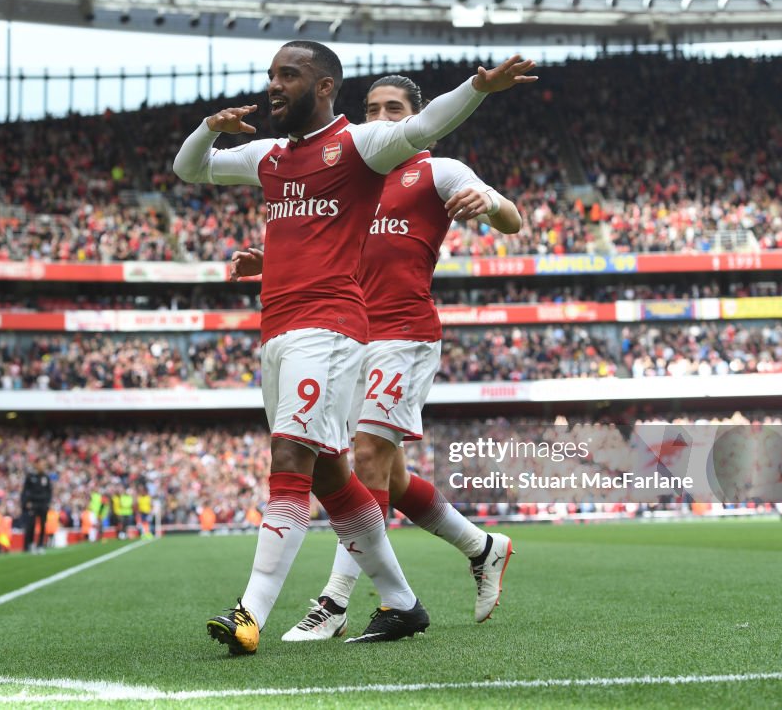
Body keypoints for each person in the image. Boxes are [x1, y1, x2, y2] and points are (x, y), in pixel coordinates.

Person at [174, 39, 536, 654]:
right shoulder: (292, 161)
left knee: (322, 457)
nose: (383, 119)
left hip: (374, 331)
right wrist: (214, 136)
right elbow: (195, 173)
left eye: (394, 109)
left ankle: (279, 608)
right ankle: (422, 587)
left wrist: (479, 105)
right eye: (375, 107)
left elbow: (494, 199)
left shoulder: (401, 160)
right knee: (343, 474)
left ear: (322, 87)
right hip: (290, 326)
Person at [22, 458, 53, 553]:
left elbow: (49, 491)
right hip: (33, 504)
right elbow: (25, 491)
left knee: (43, 525)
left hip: (43, 504)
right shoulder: (31, 476)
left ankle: (40, 545)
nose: (43, 466)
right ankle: (30, 544)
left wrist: (48, 503)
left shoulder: (46, 477)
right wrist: (26, 502)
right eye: (42, 464)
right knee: (31, 524)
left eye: (44, 465)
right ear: (36, 465)